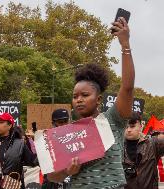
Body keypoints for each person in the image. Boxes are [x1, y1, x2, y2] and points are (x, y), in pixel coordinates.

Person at [47, 17, 135, 189]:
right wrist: (67, 171)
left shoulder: (113, 120)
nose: (78, 100)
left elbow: (127, 87)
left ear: (99, 99)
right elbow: (52, 176)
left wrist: (125, 44)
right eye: (75, 96)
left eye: (85, 95)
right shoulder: (66, 134)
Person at [123, 113, 164, 189]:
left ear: (141, 126)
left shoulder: (153, 144)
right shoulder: (116, 146)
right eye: (126, 127)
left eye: (132, 126)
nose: (128, 130)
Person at [43, 109, 71, 189]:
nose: (63, 124)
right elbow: (38, 161)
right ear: (53, 123)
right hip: (52, 184)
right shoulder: (46, 140)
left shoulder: (75, 137)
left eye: (65, 121)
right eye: (60, 122)